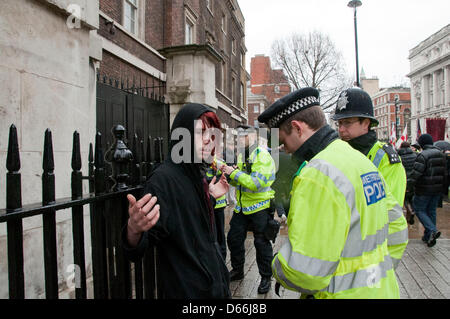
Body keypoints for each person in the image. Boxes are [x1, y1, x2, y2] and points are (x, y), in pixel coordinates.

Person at [258, 87, 404, 299]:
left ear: (298, 128)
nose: (285, 150)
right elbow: (398, 228)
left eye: (282, 141)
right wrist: (374, 272)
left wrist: (278, 265)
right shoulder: (360, 160)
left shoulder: (317, 173)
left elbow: (304, 273)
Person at [121, 103, 231, 299]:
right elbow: (140, 246)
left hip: (215, 288)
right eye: (201, 133)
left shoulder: (197, 172)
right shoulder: (163, 179)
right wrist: (133, 229)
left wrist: (210, 198)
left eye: (213, 134)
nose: (209, 140)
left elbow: (189, 220)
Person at [332, 87, 408, 267]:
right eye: (339, 124)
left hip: (370, 258)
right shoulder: (337, 153)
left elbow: (390, 217)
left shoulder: (386, 160)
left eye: (347, 123)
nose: (341, 130)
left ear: (366, 123)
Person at [220, 124, 276, 294]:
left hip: (260, 206)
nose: (237, 140)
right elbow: (241, 182)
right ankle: (238, 270)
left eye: (241, 136)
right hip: (243, 207)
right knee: (234, 238)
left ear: (251, 137)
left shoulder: (262, 156)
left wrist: (234, 173)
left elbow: (256, 183)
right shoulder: (242, 155)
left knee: (261, 243)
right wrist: (230, 176)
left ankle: (266, 277)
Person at [409, 134, 447, 247]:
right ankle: (428, 237)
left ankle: (432, 230)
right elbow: (444, 173)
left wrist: (408, 186)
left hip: (424, 189)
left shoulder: (422, 155)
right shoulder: (441, 154)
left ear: (422, 143)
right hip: (437, 189)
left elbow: (416, 173)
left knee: (419, 209)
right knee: (431, 211)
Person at [398, 142, 418, 225]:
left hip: (403, 179)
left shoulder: (399, 156)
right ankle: (411, 212)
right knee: (412, 197)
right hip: (413, 179)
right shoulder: (415, 155)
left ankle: (409, 210)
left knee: (405, 198)